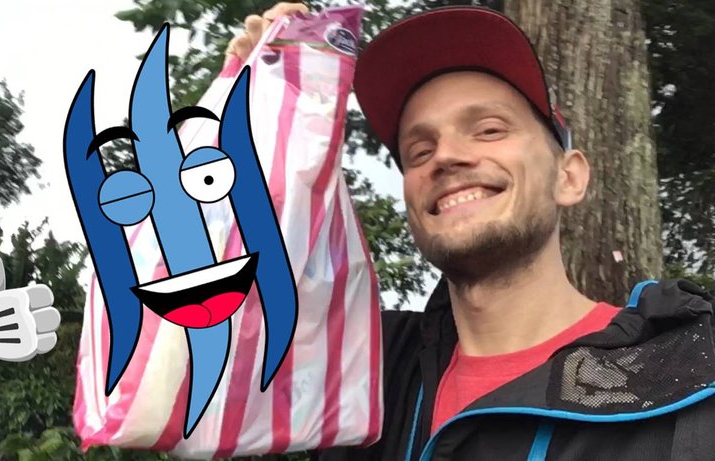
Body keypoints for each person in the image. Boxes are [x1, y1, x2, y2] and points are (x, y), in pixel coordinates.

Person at [229, 4, 715, 460]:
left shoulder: (688, 373)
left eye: (489, 129)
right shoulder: (360, 369)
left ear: (568, 177)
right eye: (419, 151)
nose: (445, 156)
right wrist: (254, 127)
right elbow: (218, 341)